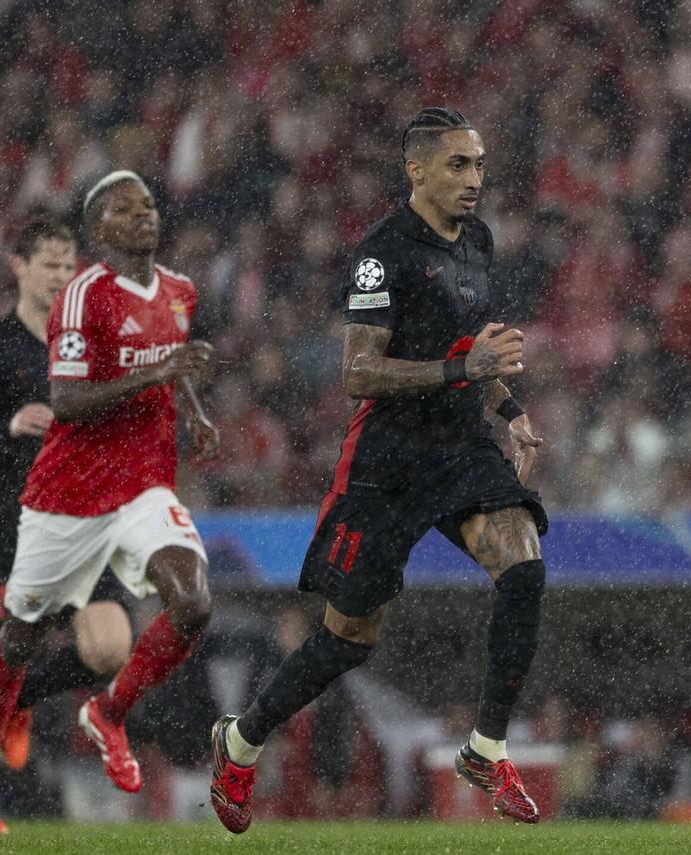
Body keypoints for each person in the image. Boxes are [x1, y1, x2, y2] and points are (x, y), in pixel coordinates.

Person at [209, 107, 548, 832]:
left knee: (523, 564)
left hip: (460, 447)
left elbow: (472, 347)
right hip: (388, 463)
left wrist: (509, 408)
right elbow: (358, 374)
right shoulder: (381, 253)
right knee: (346, 640)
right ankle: (240, 742)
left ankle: (486, 748)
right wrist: (466, 364)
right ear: (416, 169)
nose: (474, 180)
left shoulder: (479, 241)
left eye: (480, 165)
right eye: (458, 165)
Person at [0, 171, 220, 836]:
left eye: (149, 205)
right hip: (61, 499)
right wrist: (159, 375)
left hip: (141, 486)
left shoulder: (181, 291)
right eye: (125, 210)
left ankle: (108, 712)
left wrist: (193, 409)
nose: (144, 216)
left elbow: (172, 357)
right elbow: (69, 403)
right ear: (101, 230)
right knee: (13, 646)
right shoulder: (77, 301)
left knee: (191, 602)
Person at [0, 215, 134, 778]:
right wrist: (9, 423)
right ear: (18, 267)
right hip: (10, 528)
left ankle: (22, 699)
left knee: (110, 647)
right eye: (49, 264)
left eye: (68, 266)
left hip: (78, 522)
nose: (60, 275)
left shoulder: (91, 344)